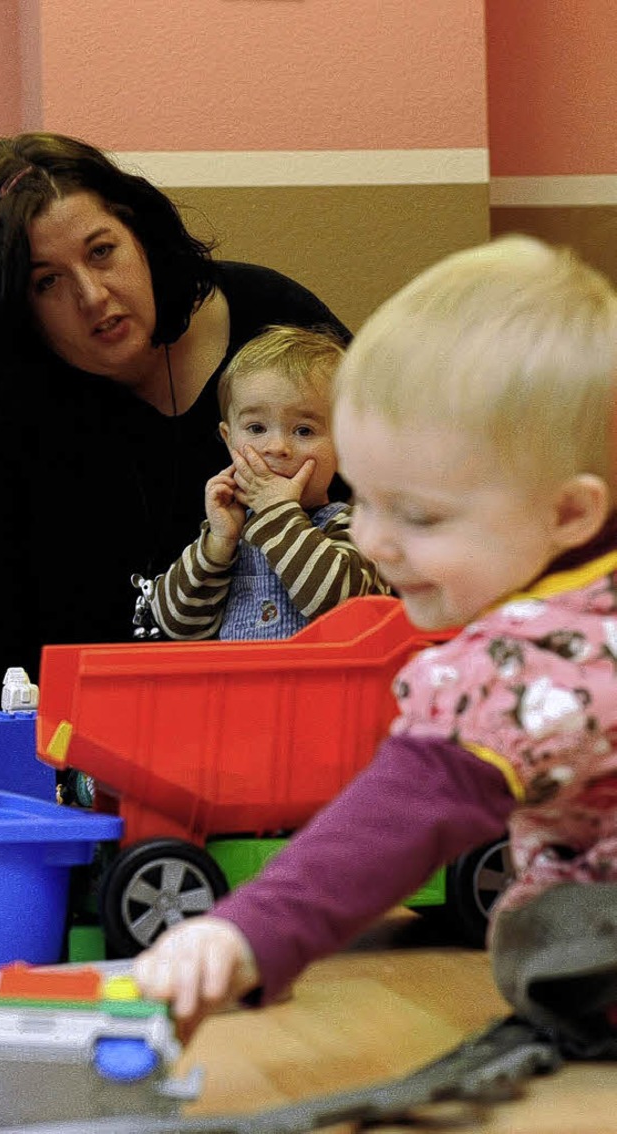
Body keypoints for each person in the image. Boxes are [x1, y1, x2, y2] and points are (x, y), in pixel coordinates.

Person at [133, 235, 617, 1029]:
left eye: (419, 514)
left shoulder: (529, 660)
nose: (379, 543)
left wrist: (245, 934)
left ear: (569, 512)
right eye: (369, 499)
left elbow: (401, 812)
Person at [0, 133, 350, 707]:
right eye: (46, 281)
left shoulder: (276, 329)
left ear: (141, 236)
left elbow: (403, 516)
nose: (93, 296)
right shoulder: (10, 399)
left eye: (102, 251)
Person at [149, 325, 387, 641]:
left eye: (303, 431)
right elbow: (177, 624)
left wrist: (278, 512)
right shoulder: (230, 535)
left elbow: (338, 604)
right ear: (229, 440)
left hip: (324, 689)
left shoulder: (357, 527)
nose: (276, 447)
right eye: (257, 428)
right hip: (240, 690)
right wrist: (218, 543)